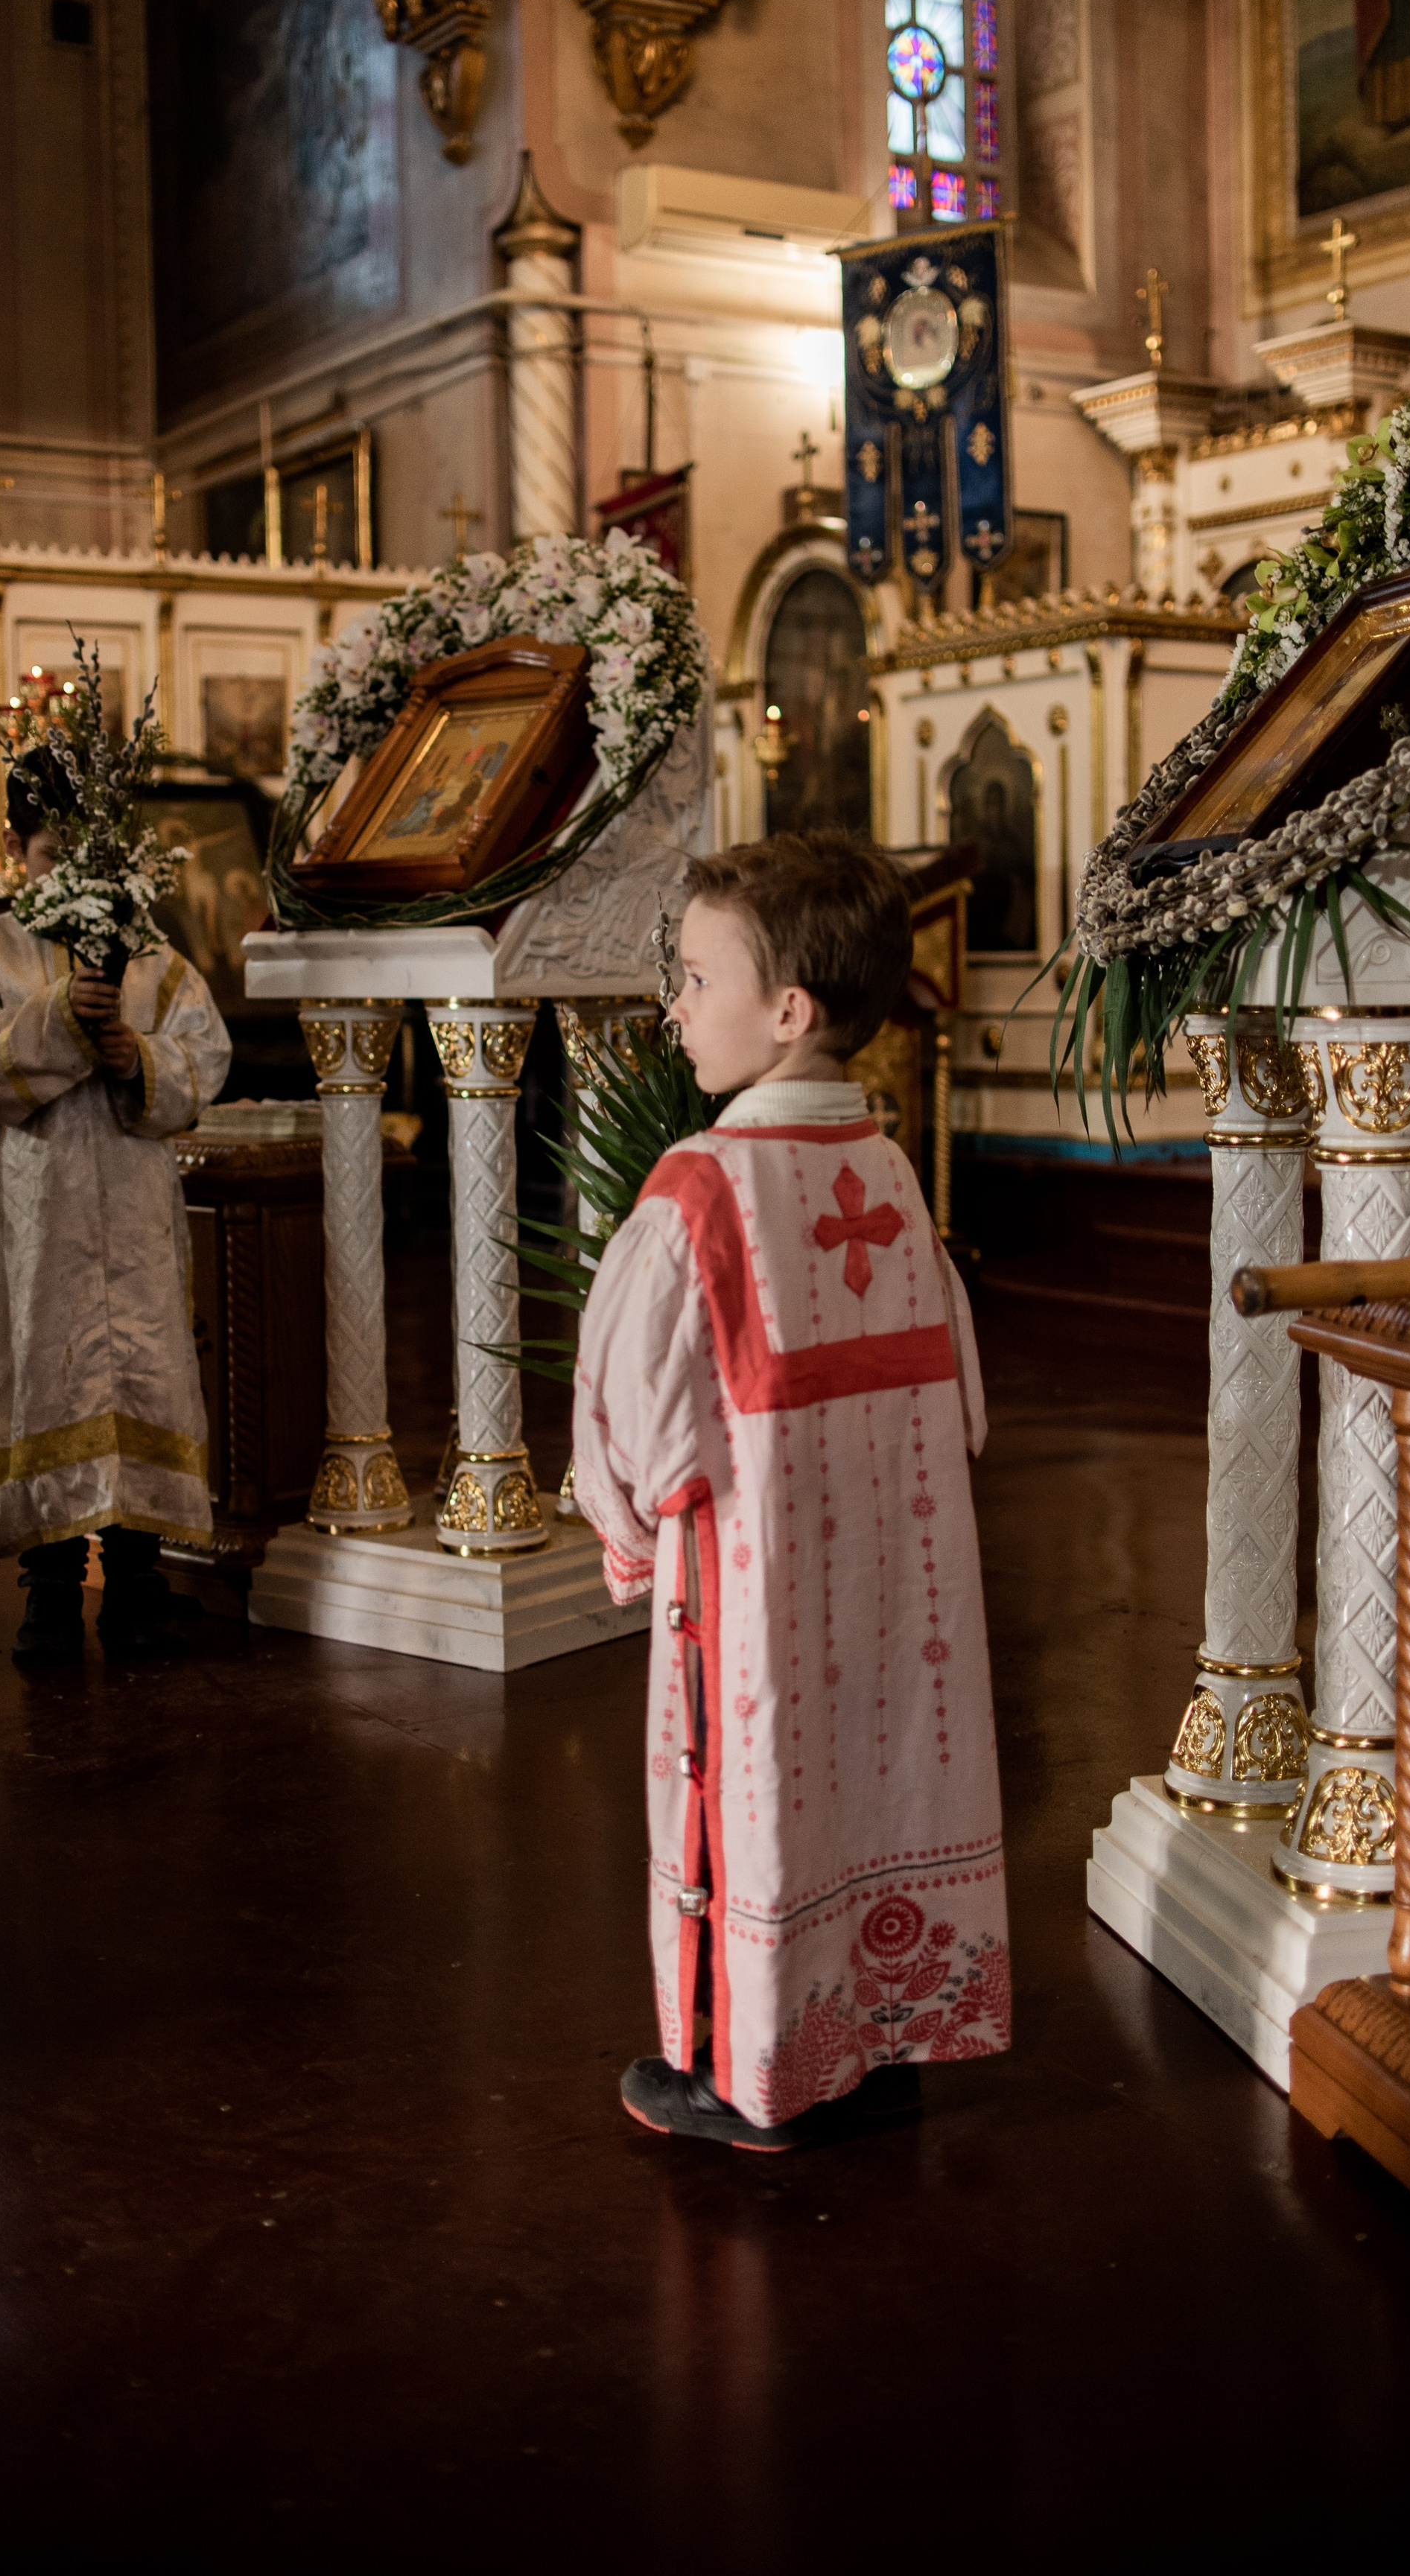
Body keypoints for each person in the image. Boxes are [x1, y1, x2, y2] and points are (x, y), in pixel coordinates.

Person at [573, 832, 1009, 2150]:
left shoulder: (701, 1190)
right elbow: (964, 1399)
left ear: (788, 1011)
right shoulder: (889, 1171)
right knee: (885, 1784)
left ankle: (744, 2072)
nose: (676, 1006)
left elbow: (624, 1401)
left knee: (753, 1800)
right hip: (896, 1585)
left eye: (697, 977)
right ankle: (879, 2039)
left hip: (755, 1594)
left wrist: (631, 1532)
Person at [0, 757, 232, 1668]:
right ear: (15, 849)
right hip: (34, 1223)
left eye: (85, 855)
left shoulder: (151, 955)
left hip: (132, 1216)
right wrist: (57, 1018)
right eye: (51, 855)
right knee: (45, 1378)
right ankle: (50, 1595)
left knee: (141, 1374)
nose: (69, 873)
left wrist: (138, 1057)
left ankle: (136, 1584)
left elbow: (203, 1054)